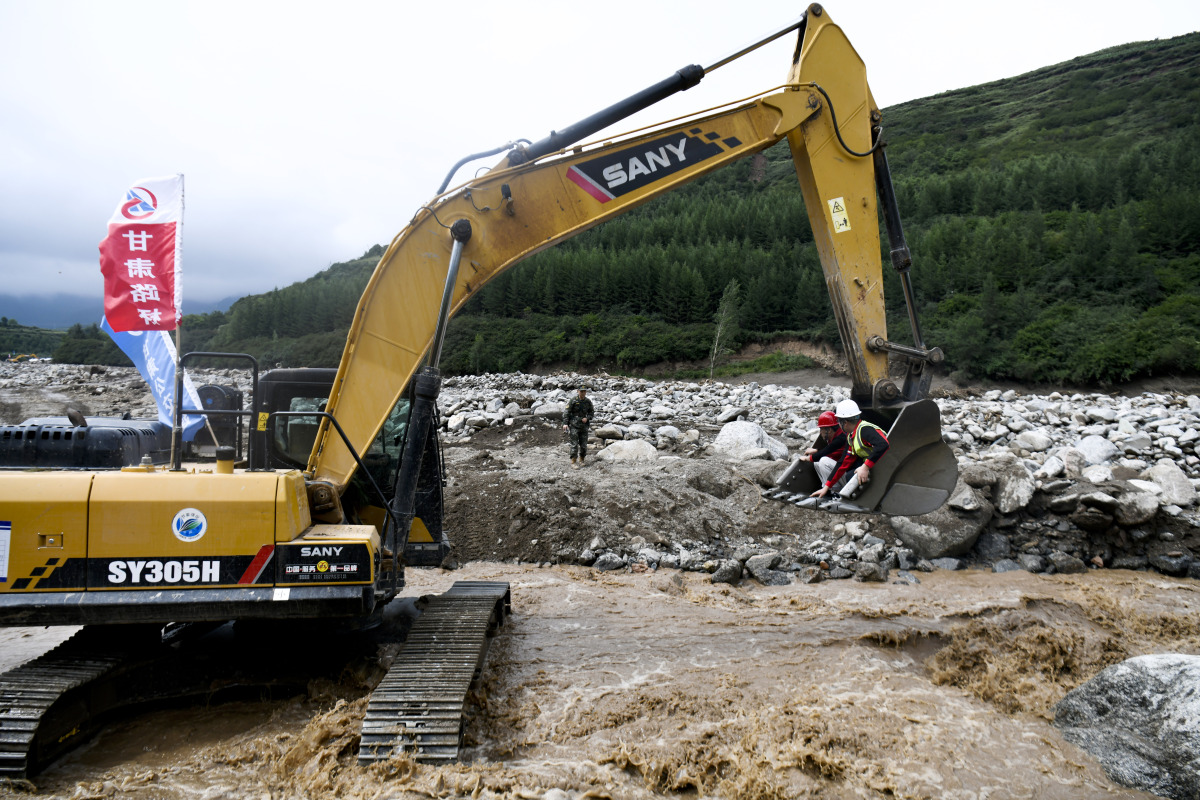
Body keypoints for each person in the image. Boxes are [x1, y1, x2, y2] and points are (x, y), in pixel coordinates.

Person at [809, 398, 889, 504]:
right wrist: (826, 487)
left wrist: (865, 467)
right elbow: (843, 462)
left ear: (845, 422)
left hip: (882, 471)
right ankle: (835, 494)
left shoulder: (864, 430)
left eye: (839, 422)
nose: (838, 425)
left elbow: (883, 444)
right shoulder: (851, 436)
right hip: (873, 469)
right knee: (849, 474)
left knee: (852, 474)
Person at [806, 410, 847, 487]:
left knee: (824, 461)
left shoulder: (840, 438)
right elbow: (830, 450)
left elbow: (827, 451)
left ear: (829, 430)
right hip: (843, 471)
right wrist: (816, 451)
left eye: (822, 429)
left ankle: (834, 490)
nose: (820, 432)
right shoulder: (837, 435)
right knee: (817, 462)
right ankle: (826, 487)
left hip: (848, 474)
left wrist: (808, 458)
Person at [564, 384, 594, 469]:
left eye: (584, 391)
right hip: (574, 425)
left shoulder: (588, 401)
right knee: (574, 444)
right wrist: (565, 423)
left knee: (583, 445)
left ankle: (582, 460)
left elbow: (591, 413)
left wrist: (587, 418)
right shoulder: (573, 400)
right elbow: (567, 412)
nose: (583, 393)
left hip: (584, 426)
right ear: (578, 391)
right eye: (581, 391)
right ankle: (573, 461)